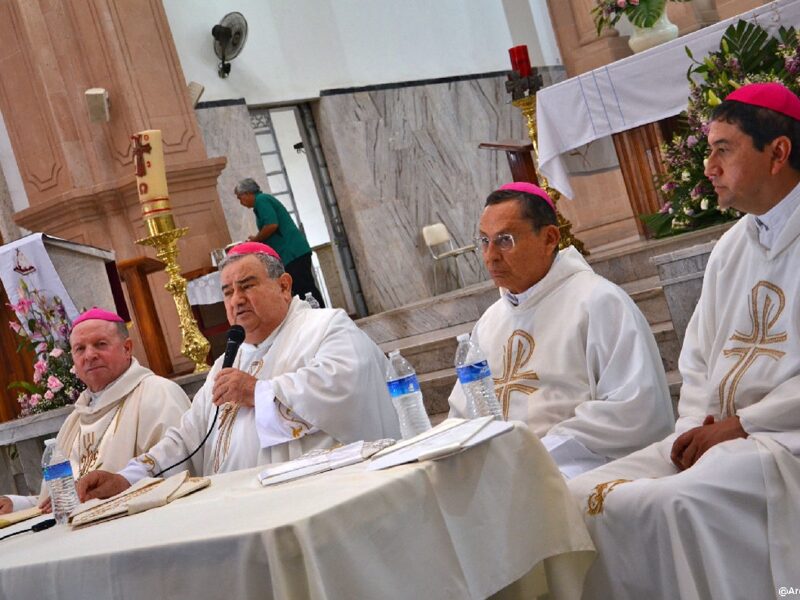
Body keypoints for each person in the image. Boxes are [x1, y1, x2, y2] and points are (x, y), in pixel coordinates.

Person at [567, 82, 800, 599]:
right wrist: (696, 426)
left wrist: (745, 423)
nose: (708, 168)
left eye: (723, 149)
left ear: (778, 152)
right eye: (708, 151)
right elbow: (697, 360)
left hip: (785, 436)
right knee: (582, 495)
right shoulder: (730, 249)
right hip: (725, 432)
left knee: (675, 503)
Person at [78, 242, 399, 500]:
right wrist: (128, 478)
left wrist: (258, 392)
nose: (237, 299)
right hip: (239, 504)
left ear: (284, 286)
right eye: (228, 292)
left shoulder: (325, 327)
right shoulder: (228, 361)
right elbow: (190, 437)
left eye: (247, 286)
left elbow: (344, 387)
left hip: (318, 498)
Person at [448, 182, 673, 478]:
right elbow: (462, 415)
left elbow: (635, 410)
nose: (491, 256)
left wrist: (535, 453)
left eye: (505, 240)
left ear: (550, 238)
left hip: (584, 464)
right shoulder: (489, 323)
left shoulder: (598, 301)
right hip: (506, 470)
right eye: (484, 241)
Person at [0, 308, 190, 514]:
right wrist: (17, 505)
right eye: (80, 349)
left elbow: (177, 476)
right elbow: (62, 500)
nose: (90, 355)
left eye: (100, 344)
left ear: (127, 348)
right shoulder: (76, 419)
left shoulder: (158, 394)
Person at [235, 177, 325, 307]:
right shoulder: (262, 201)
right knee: (301, 288)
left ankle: (320, 316)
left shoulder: (261, 200)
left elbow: (271, 225)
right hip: (291, 252)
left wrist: (255, 240)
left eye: (240, 197)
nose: (240, 202)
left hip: (292, 252)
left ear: (248, 193)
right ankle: (314, 318)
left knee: (305, 288)